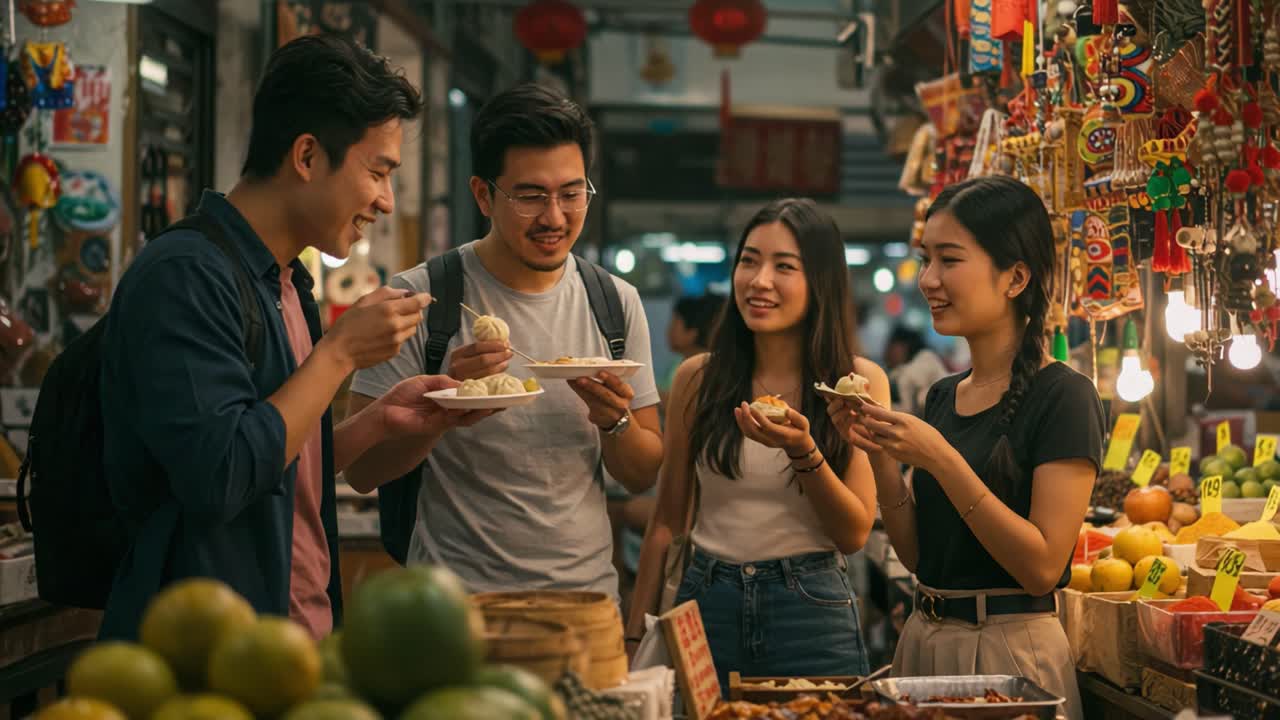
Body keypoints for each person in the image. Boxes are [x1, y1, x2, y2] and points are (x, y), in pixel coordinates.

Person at [98, 35, 487, 641]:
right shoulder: (186, 276)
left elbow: (276, 460)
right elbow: (221, 474)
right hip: (211, 660)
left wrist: (379, 424)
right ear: (307, 156)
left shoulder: (284, 281)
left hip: (295, 643)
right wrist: (340, 353)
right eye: (377, 172)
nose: (386, 200)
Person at [345, 83, 663, 599]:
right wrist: (444, 405)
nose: (555, 218)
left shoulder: (615, 304)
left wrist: (615, 420)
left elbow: (643, 472)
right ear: (483, 195)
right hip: (452, 610)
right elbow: (361, 471)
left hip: (584, 605)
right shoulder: (420, 298)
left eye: (572, 193)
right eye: (531, 196)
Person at [828, 176, 1103, 720]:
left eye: (948, 260)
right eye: (925, 260)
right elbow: (921, 558)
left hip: (1009, 654)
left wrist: (939, 457)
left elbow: (1042, 568)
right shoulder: (943, 396)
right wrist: (879, 453)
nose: (928, 280)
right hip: (926, 639)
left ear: (1015, 277)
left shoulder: (1065, 396)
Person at [627, 199, 888, 691]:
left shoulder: (856, 382)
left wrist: (803, 452)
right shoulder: (698, 378)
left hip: (810, 608)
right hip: (706, 601)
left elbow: (854, 533)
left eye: (784, 266)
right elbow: (667, 521)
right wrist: (630, 635)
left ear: (821, 281)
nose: (759, 280)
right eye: (749, 260)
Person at [883, 324, 949, 416]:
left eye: (891, 347)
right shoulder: (927, 358)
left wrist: (880, 406)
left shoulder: (911, 372)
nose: (888, 352)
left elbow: (907, 411)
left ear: (904, 347)